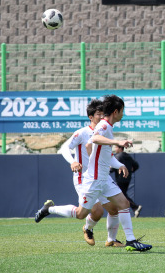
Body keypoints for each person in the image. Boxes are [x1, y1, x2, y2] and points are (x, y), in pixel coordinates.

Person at [35, 95, 152, 252]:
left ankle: (129, 240)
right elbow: (94, 139)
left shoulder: (107, 127)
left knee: (123, 204)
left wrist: (119, 165)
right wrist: (117, 142)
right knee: (80, 213)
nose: (123, 114)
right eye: (122, 111)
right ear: (116, 111)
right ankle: (49, 209)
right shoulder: (103, 126)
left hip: (103, 178)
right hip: (94, 179)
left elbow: (99, 150)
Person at [57, 98, 126, 247]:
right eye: (98, 114)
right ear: (91, 117)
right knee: (95, 211)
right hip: (84, 177)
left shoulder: (106, 130)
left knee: (114, 209)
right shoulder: (82, 133)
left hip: (101, 177)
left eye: (103, 114)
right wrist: (73, 161)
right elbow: (64, 148)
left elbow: (109, 155)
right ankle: (86, 228)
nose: (102, 117)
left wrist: (119, 165)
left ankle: (111, 240)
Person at [111, 144, 142, 218]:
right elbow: (136, 165)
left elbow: (113, 167)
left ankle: (134, 207)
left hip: (120, 179)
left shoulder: (118, 156)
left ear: (120, 148)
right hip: (127, 178)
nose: (115, 149)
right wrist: (131, 171)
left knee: (120, 195)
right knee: (123, 194)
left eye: (116, 147)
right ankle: (134, 208)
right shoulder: (128, 156)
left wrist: (107, 170)